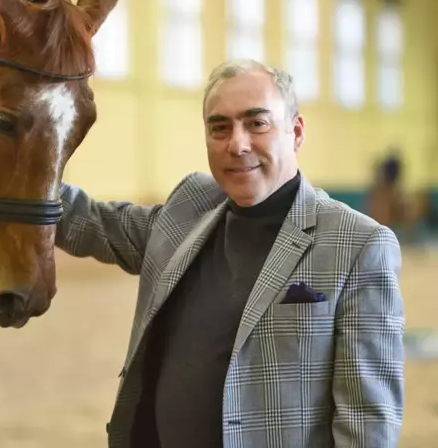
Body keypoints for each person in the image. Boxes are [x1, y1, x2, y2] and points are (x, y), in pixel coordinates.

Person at [55, 59, 405, 448]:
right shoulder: (189, 206)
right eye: (219, 127)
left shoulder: (358, 244)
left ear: (296, 132)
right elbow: (90, 222)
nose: (237, 144)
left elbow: (367, 423)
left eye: (257, 123)